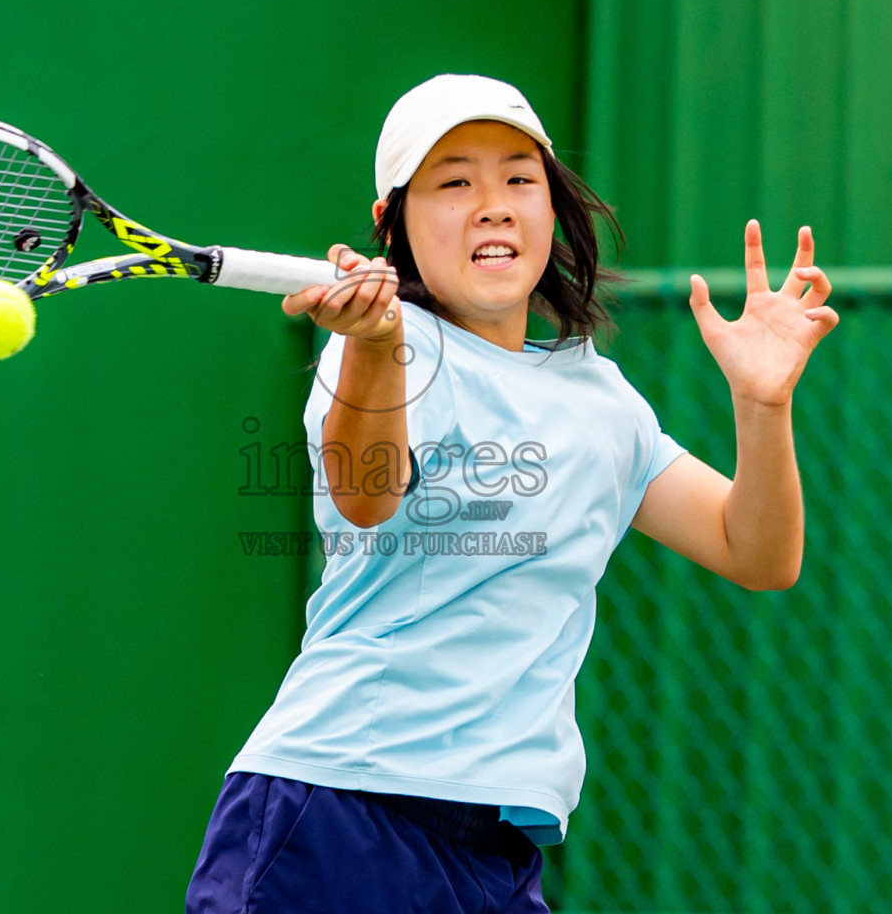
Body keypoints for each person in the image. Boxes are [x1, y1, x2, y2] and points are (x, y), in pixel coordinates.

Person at [185, 74, 839, 913]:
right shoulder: (395, 348)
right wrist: (376, 347)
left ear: (553, 209)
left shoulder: (603, 401)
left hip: (497, 850)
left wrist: (762, 404)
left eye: (518, 178)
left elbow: (759, 553)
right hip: (338, 814)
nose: (492, 204)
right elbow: (364, 493)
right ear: (395, 226)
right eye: (454, 181)